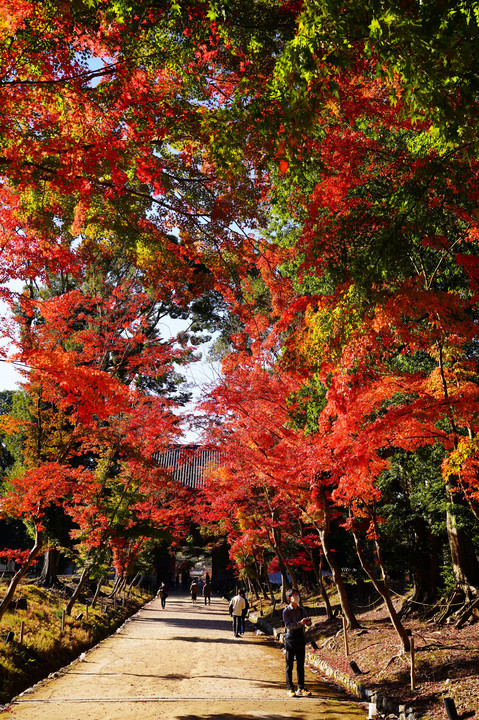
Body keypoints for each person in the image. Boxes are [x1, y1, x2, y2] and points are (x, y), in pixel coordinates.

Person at [282, 588, 312, 697]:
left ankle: (301, 687)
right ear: (289, 598)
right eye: (294, 595)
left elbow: (308, 623)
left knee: (300, 664)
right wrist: (300, 622)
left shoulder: (302, 610)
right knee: (289, 665)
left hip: (300, 637)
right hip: (290, 639)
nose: (297, 596)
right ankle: (290, 688)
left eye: (297, 594)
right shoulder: (286, 611)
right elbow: (289, 625)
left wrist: (308, 622)